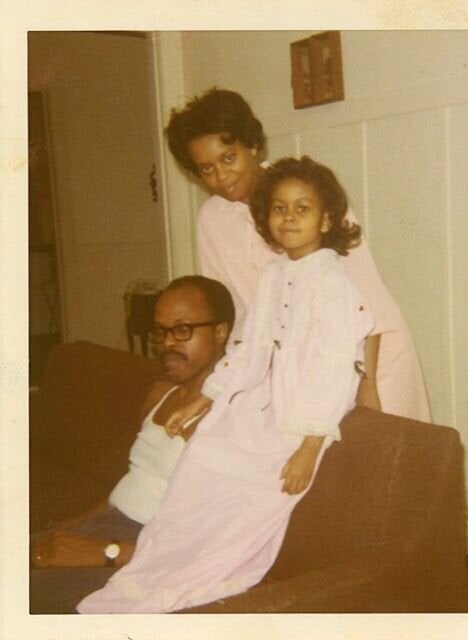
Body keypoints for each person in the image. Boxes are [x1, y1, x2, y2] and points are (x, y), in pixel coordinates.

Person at [76, 156, 374, 613]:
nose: (289, 218)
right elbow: (251, 347)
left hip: (302, 420)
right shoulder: (275, 276)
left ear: (328, 218)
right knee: (202, 455)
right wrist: (205, 400)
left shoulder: (334, 282)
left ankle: (196, 572)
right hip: (259, 404)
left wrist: (310, 447)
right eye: (279, 208)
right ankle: (155, 565)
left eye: (302, 208)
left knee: (242, 497)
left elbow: (336, 369)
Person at [165, 87, 431, 421]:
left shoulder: (306, 192)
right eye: (206, 169)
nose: (221, 176)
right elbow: (229, 313)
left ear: (251, 145)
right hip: (295, 369)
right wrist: (218, 387)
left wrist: (369, 382)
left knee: (385, 464)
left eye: (228, 158)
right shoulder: (212, 220)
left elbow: (365, 295)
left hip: (370, 357)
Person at [29, 276, 234, 612]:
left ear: (221, 331)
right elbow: (132, 484)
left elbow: (210, 547)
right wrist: (69, 528)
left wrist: (100, 551)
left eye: (182, 329)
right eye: (160, 330)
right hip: (109, 526)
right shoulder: (161, 393)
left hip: (146, 554)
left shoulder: (230, 418)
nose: (167, 342)